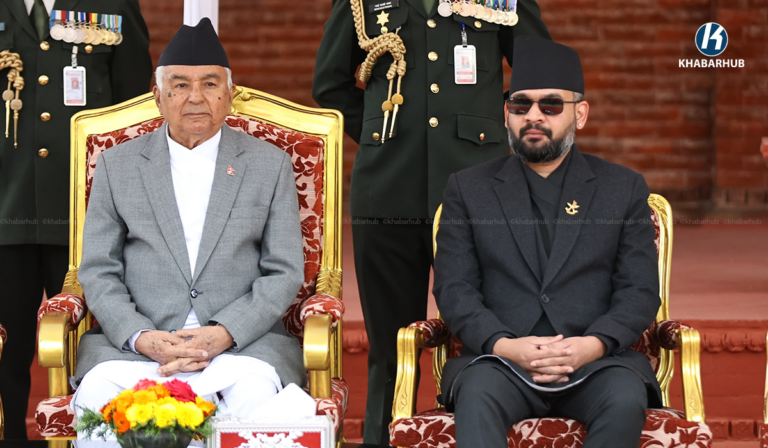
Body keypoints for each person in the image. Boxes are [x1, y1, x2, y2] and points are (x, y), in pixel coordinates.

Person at [312, 0, 551, 442]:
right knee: (388, 349)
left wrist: (494, 128)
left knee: (487, 339)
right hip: (387, 188)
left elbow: (540, 73)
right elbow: (329, 84)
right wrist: (381, 131)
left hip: (479, 191)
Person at [71, 18, 309, 436]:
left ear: (229, 95)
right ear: (158, 97)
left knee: (256, 401)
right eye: (180, 85)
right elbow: (98, 270)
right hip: (138, 349)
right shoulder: (117, 165)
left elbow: (284, 270)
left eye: (210, 84)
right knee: (98, 399)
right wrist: (142, 336)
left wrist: (224, 333)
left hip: (242, 347)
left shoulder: (269, 165)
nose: (196, 97)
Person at [434, 36, 662, 448]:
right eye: (520, 105)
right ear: (506, 114)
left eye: (551, 105)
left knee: (625, 399)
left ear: (580, 114)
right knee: (477, 396)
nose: (534, 116)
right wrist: (506, 346)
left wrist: (591, 345)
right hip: (500, 364)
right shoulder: (468, 190)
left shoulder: (622, 188)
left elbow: (640, 289)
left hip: (596, 365)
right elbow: (454, 288)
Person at [0, 0, 152, 439]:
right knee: (4, 352)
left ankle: (91, 440)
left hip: (87, 217)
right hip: (5, 211)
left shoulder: (112, 4)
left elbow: (131, 112)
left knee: (90, 349)